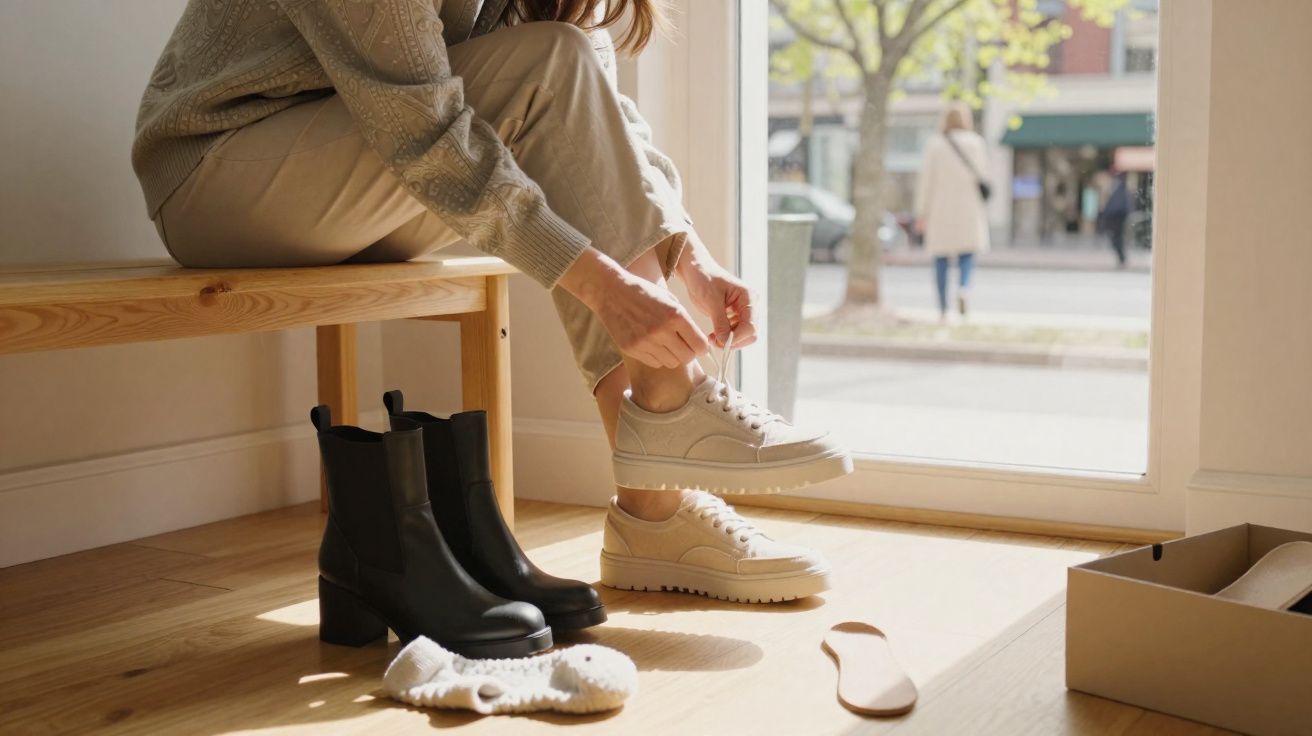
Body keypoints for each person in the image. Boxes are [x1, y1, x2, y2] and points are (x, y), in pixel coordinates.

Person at [131, 0, 851, 607]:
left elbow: (596, 107)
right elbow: (427, 132)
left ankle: (653, 502)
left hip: (358, 175)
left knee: (561, 54)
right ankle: (665, 424)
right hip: (216, 172)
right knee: (547, 63)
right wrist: (603, 283)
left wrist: (685, 256)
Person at [914, 102, 991, 321]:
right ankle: (964, 287)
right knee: (968, 253)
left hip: (940, 210)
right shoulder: (976, 143)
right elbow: (984, 176)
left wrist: (921, 213)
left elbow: (925, 182)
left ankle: (942, 309)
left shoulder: (935, 145)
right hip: (969, 209)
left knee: (941, 259)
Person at [1098, 172, 1131, 268]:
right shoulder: (1117, 188)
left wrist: (1108, 214)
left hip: (1116, 218)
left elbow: (1117, 206)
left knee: (1116, 238)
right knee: (1116, 238)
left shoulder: (1119, 189)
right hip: (1116, 218)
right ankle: (1121, 258)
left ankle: (1122, 258)